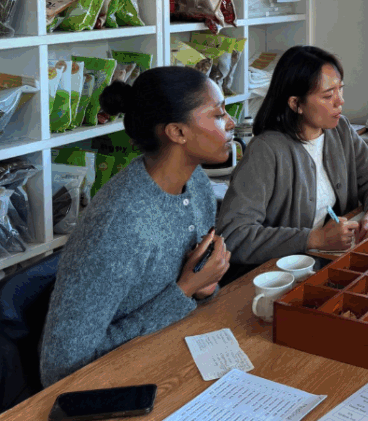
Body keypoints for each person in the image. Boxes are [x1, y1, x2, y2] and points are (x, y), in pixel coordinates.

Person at [40, 67, 233, 387]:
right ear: (177, 132)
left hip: (176, 360)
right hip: (118, 385)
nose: (230, 123)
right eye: (218, 114)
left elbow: (190, 294)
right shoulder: (117, 226)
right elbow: (62, 367)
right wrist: (184, 291)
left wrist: (203, 286)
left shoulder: (196, 183)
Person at [218, 46, 368, 271]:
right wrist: (314, 239)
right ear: (296, 104)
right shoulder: (266, 150)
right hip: (279, 274)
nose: (340, 101)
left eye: (340, 90)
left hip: (327, 261)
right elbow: (234, 236)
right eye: (328, 95)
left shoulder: (339, 129)